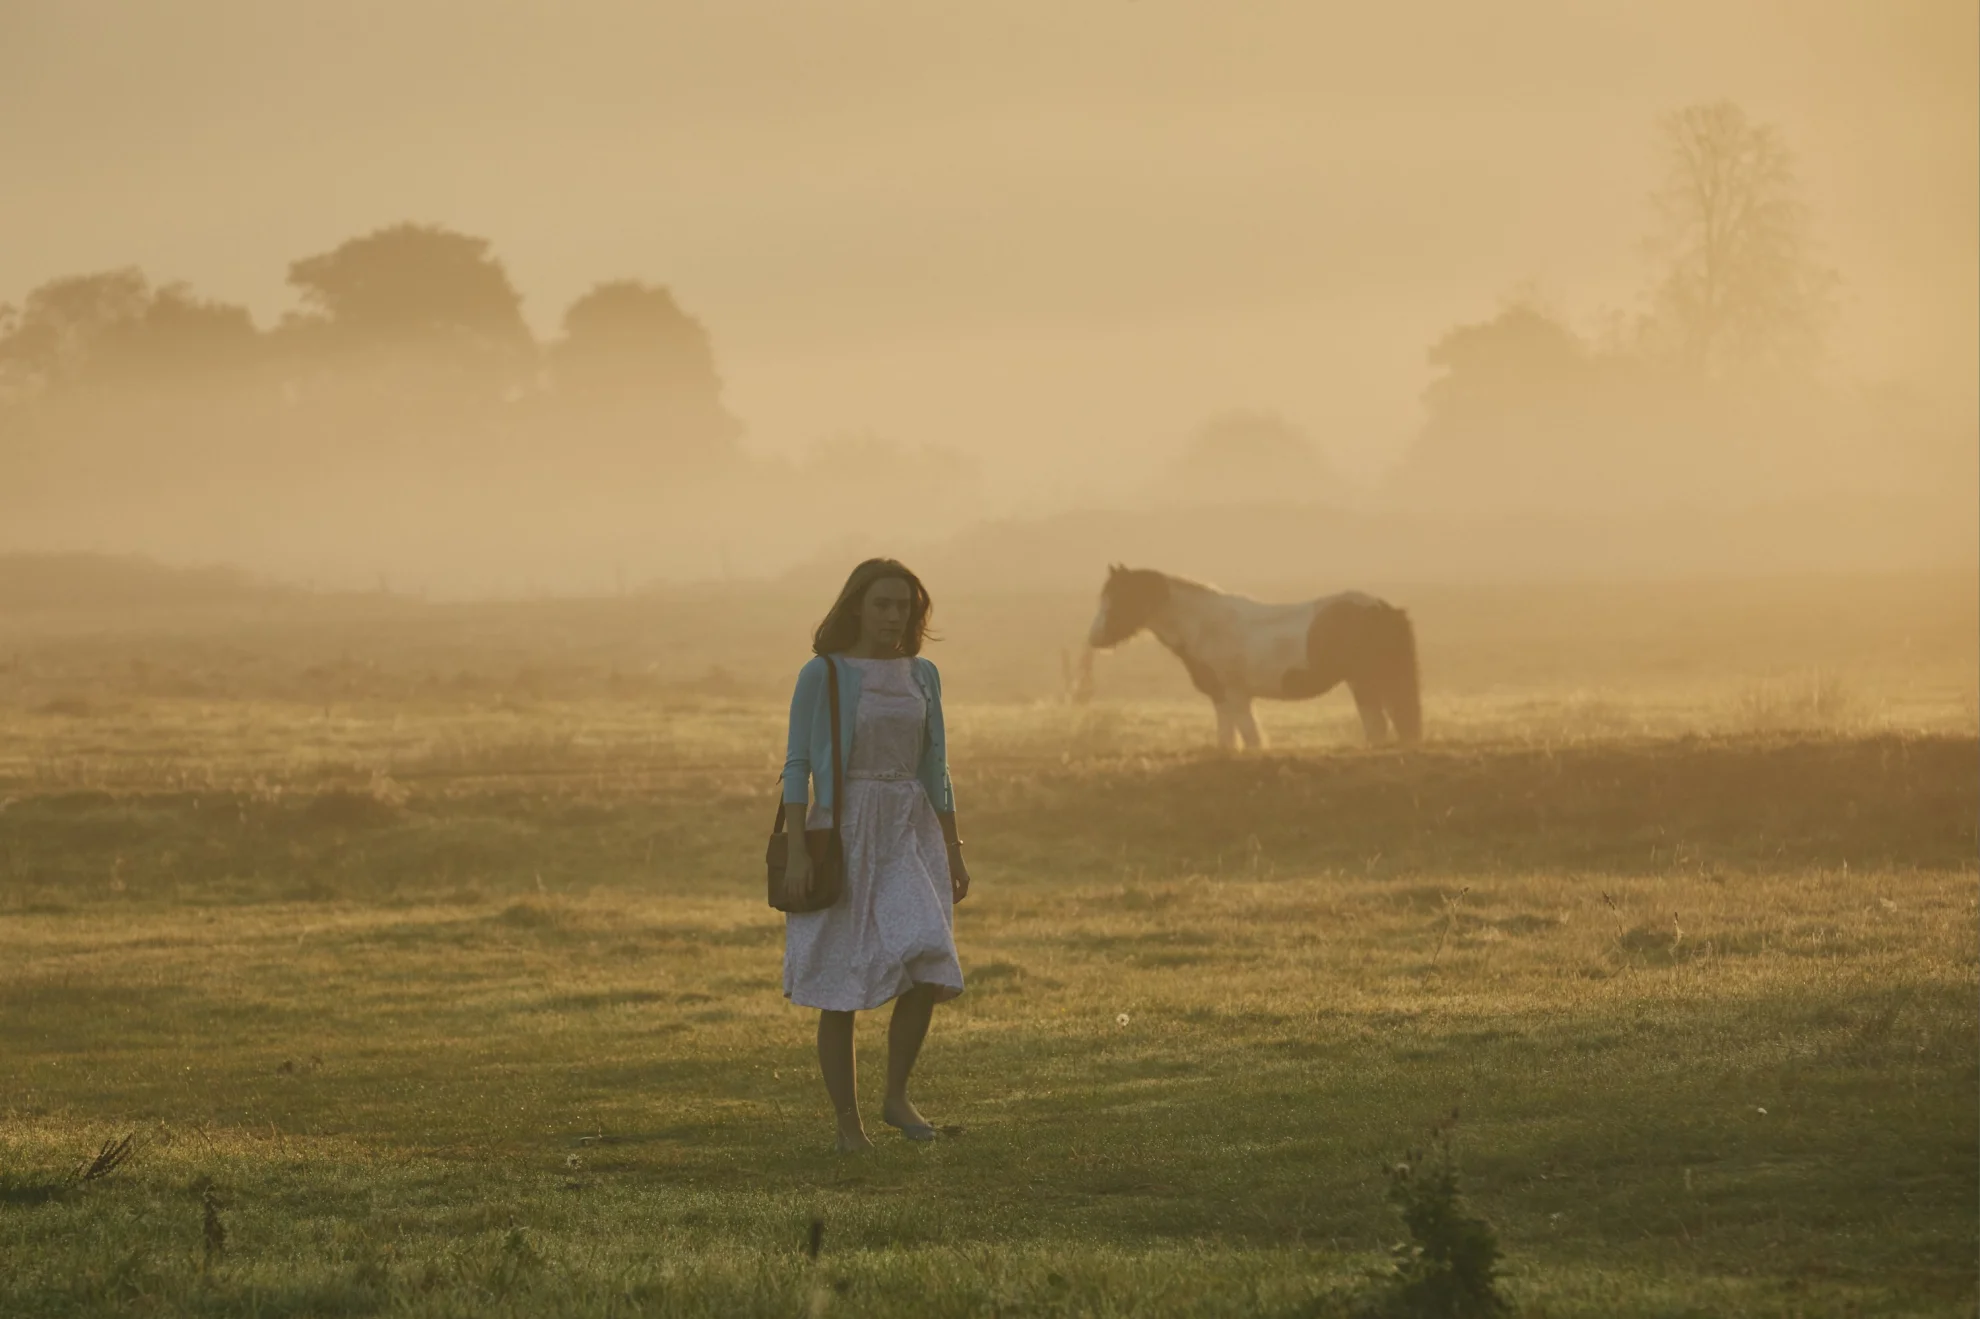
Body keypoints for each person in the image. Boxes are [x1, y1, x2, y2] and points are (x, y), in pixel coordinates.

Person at [780, 558, 972, 1152]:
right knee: (842, 981)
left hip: (908, 828)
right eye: (883, 604)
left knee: (929, 956)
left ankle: (896, 1096)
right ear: (857, 606)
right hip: (843, 830)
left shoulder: (923, 676)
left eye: (905, 607)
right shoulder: (824, 674)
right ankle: (848, 1126)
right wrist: (796, 852)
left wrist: (952, 845)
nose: (894, 616)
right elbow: (797, 765)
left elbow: (935, 767)